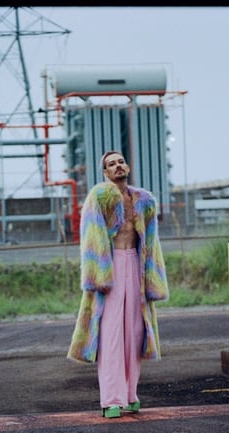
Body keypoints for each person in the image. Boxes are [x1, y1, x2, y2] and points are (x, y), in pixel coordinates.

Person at [67, 150, 169, 418]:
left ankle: (130, 395)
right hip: (109, 267)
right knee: (111, 335)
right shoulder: (99, 197)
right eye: (111, 164)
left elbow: (152, 242)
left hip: (135, 263)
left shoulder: (144, 200)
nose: (117, 166)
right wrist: (98, 275)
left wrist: (153, 278)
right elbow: (91, 237)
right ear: (105, 173)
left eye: (120, 162)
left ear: (128, 166)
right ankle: (111, 400)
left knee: (135, 333)